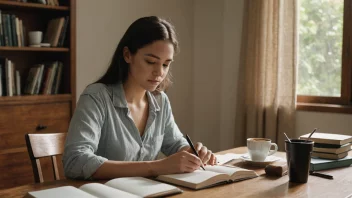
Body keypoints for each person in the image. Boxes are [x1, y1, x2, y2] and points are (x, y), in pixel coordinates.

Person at [63, 16, 216, 180]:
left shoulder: (160, 100)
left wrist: (192, 152)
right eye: (151, 62)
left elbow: (175, 143)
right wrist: (156, 167)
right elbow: (75, 161)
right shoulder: (96, 97)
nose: (159, 73)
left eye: (165, 64)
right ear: (128, 55)